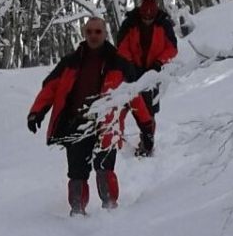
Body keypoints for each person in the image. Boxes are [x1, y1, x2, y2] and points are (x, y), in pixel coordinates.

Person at [27, 17, 155, 216]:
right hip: (76, 124)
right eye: (89, 32)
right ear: (84, 34)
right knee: (76, 173)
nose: (93, 36)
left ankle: (111, 210)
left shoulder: (120, 64)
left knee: (105, 168)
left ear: (105, 33)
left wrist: (146, 126)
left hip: (107, 125)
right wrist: (36, 112)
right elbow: (50, 88)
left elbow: (135, 97)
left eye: (98, 31)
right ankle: (77, 212)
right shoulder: (70, 62)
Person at [115, 0, 177, 157]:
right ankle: (116, 143)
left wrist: (158, 62)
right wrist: (130, 65)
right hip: (130, 73)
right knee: (121, 107)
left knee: (149, 112)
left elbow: (172, 48)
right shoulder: (130, 22)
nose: (147, 21)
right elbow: (121, 46)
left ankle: (146, 145)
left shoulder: (164, 24)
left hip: (152, 74)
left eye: (150, 18)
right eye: (144, 18)